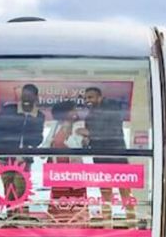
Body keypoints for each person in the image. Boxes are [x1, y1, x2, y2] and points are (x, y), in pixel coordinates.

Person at [79, 86, 133, 224]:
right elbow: (90, 139)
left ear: (100, 97)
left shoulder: (112, 107)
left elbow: (113, 131)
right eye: (85, 98)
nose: (87, 100)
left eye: (90, 97)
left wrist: (90, 134)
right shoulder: (89, 115)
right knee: (105, 194)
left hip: (117, 156)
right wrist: (85, 141)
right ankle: (107, 226)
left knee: (125, 192)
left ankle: (132, 225)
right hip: (100, 158)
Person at [0, 83, 45, 215]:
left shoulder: (38, 115)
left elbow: (37, 139)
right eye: (24, 94)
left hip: (24, 158)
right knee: (8, 189)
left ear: (35, 97)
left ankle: (20, 218)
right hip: (5, 156)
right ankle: (12, 219)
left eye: (29, 95)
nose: (26, 98)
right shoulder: (9, 109)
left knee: (21, 189)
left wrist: (31, 125)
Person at [46, 101, 88, 225]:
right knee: (59, 200)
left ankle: (78, 226)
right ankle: (58, 227)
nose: (75, 112)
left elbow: (76, 147)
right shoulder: (55, 125)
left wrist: (68, 133)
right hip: (57, 171)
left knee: (76, 201)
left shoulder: (79, 125)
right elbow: (48, 142)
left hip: (74, 171)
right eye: (72, 110)